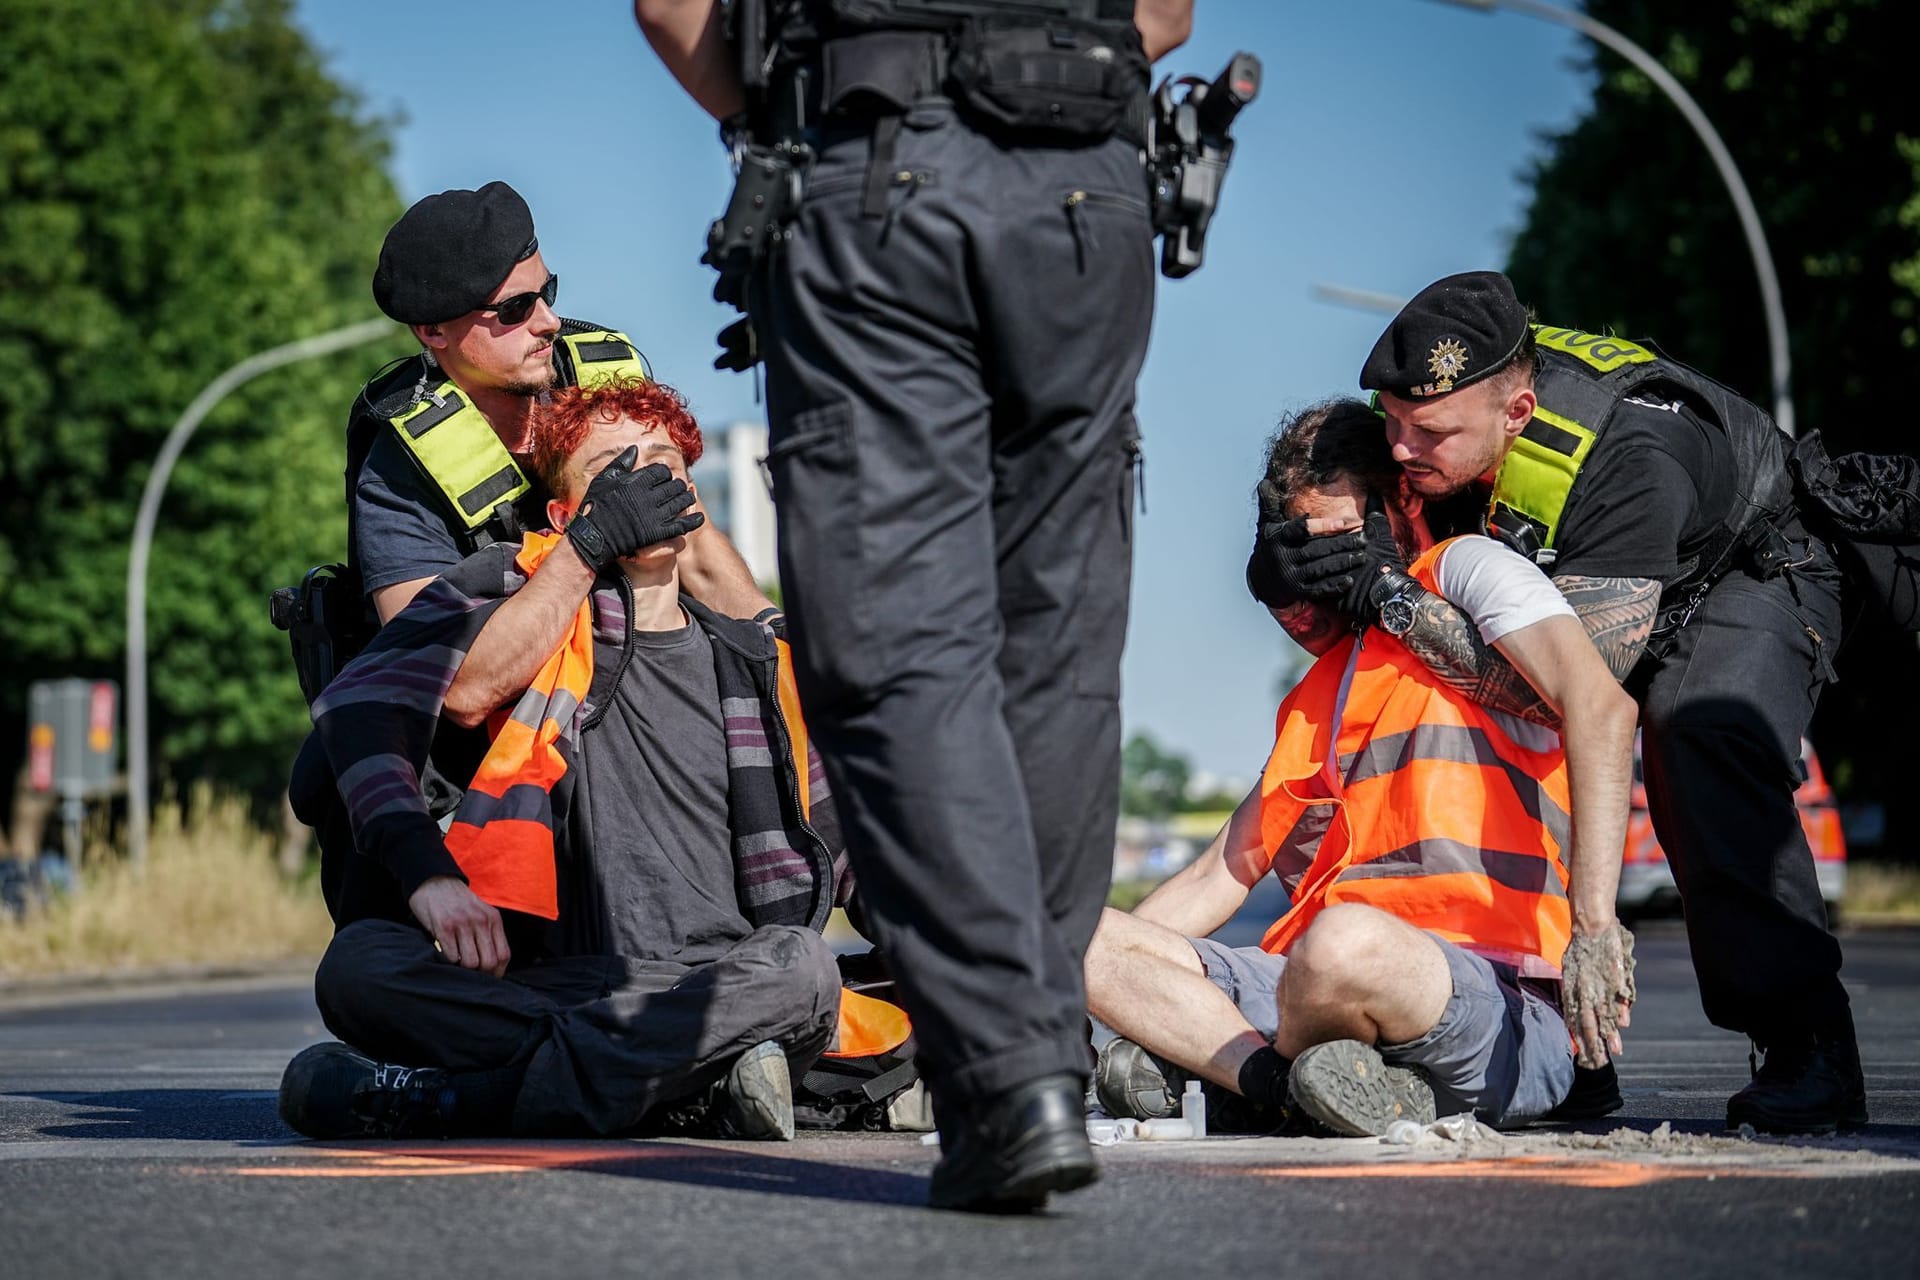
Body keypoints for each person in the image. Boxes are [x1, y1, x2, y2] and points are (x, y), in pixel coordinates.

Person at [635, 0, 1193, 1210]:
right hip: (1091, 191)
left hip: (873, 174)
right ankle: (1031, 1052)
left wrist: (788, 118)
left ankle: (1009, 1074)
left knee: (896, 652)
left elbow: (671, 9)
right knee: (1055, 651)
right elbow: (1167, 12)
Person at [1283, 270, 1864, 1134]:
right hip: (1610, 582)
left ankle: (1807, 1044)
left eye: (1428, 432)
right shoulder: (1455, 416)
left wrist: (1389, 597)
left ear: (1513, 416)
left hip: (1746, 573)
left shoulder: (1628, 459)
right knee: (1455, 710)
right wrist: (1292, 564)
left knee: (1696, 732)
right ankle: (1558, 1042)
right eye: (1391, 422)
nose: (1401, 449)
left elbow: (1554, 696)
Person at [279, 379, 850, 1141]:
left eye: (664, 464)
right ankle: (690, 1085)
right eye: (615, 469)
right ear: (562, 512)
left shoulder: (753, 660)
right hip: (548, 981)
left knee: (806, 968)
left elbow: (856, 848)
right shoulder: (524, 613)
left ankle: (463, 1101)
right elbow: (366, 711)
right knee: (360, 968)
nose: (645, 481)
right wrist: (429, 875)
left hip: (720, 984)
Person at [1083, 399, 1639, 1136]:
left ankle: (1237, 1077)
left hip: (1495, 999)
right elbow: (1212, 877)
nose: (1326, 567)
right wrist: (1099, 991)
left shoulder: (1464, 569)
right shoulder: (1329, 686)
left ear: (1400, 503)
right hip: (1315, 994)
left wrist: (1595, 929)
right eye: (1305, 544)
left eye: (1343, 535)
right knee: (1067, 932)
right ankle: (1282, 1086)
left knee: (1345, 944)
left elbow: (1603, 708)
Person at [352, 180, 773, 727]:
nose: (548, 321)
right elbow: (457, 689)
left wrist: (778, 640)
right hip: (499, 761)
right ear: (433, 331)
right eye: (515, 309)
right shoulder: (397, 473)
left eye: (546, 292)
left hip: (650, 701)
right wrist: (590, 543)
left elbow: (695, 546)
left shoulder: (601, 377)